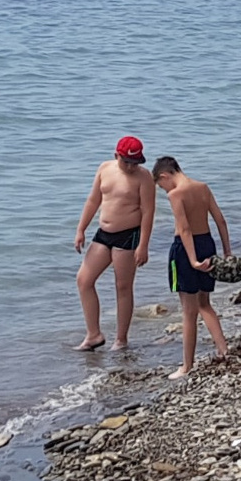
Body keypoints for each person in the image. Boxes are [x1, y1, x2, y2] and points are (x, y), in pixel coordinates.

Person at [151, 155, 235, 378]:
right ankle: (223, 349)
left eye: (161, 185)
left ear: (164, 176)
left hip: (185, 249)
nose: (163, 189)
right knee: (204, 303)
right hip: (207, 243)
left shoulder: (175, 194)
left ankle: (186, 365)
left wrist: (192, 261)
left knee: (188, 311)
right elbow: (220, 220)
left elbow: (185, 229)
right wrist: (227, 251)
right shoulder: (203, 187)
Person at [73, 135, 158, 352]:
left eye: (134, 162)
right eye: (126, 162)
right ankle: (94, 334)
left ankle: (121, 339)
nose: (130, 167)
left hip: (128, 235)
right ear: (116, 156)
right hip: (103, 233)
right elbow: (94, 200)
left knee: (122, 286)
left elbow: (148, 212)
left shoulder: (144, 177)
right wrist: (81, 229)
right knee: (84, 280)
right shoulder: (105, 168)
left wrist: (143, 245)